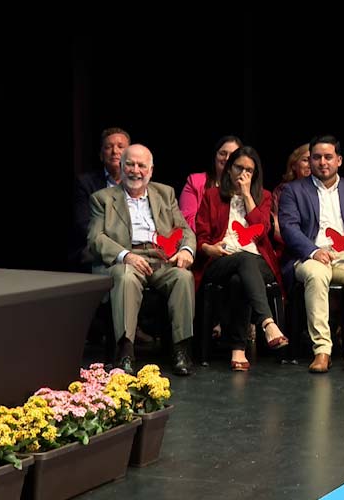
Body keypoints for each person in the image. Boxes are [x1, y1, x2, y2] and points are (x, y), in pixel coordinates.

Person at [88, 144, 197, 376]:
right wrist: (126, 255)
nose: (135, 170)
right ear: (121, 167)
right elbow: (95, 238)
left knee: (183, 277)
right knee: (126, 277)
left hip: (162, 258)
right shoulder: (103, 199)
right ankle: (125, 352)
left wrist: (187, 250)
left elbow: (184, 230)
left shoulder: (165, 193)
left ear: (151, 170)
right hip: (126, 259)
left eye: (141, 165)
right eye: (130, 164)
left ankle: (181, 349)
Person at [278, 135, 344, 374]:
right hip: (309, 256)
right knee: (317, 276)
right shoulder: (293, 190)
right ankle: (322, 350)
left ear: (339, 160)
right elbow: (289, 228)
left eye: (328, 157)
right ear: (310, 160)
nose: (322, 162)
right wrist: (313, 251)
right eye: (316, 157)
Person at [194, 146, 289, 371]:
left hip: (257, 261)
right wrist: (209, 248)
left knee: (241, 276)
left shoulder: (264, 196)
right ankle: (267, 323)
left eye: (249, 170)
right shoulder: (212, 196)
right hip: (220, 259)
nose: (243, 174)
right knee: (242, 261)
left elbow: (261, 231)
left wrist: (247, 195)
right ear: (229, 169)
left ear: (255, 174)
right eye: (239, 168)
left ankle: (238, 348)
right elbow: (201, 235)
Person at [71, 127, 130, 272]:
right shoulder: (85, 183)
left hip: (134, 246)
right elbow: (84, 224)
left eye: (120, 146)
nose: (115, 151)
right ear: (101, 155)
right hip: (98, 245)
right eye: (108, 147)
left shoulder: (138, 183)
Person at [179, 135, 242, 229]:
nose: (227, 158)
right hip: (200, 236)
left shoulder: (245, 186)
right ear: (215, 156)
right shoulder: (195, 182)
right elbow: (186, 221)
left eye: (233, 155)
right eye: (222, 153)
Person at [272, 143, 311, 245]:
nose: (310, 165)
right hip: (290, 246)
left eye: (313, 160)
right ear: (294, 165)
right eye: (305, 160)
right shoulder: (282, 191)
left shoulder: (325, 190)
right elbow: (277, 228)